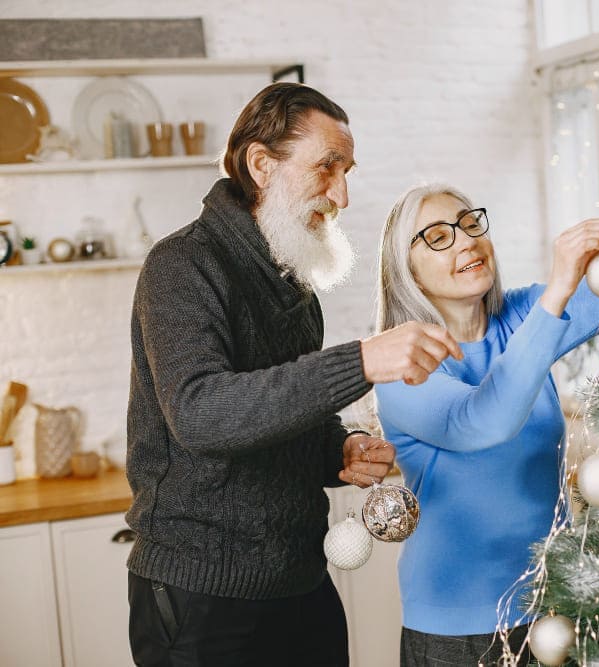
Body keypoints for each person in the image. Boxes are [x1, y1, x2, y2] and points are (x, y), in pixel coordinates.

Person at [125, 82, 463, 666]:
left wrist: (339, 448)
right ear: (261, 165)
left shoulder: (293, 281)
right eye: (327, 168)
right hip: (204, 599)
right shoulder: (181, 265)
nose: (343, 196)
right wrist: (360, 360)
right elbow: (202, 414)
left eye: (347, 171)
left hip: (300, 583)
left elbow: (279, 413)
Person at [374, 183, 599, 665]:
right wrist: (558, 287)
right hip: (459, 630)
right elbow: (483, 421)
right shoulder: (401, 363)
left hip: (556, 604)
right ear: (408, 271)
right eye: (439, 236)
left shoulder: (522, 316)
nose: (466, 240)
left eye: (470, 224)